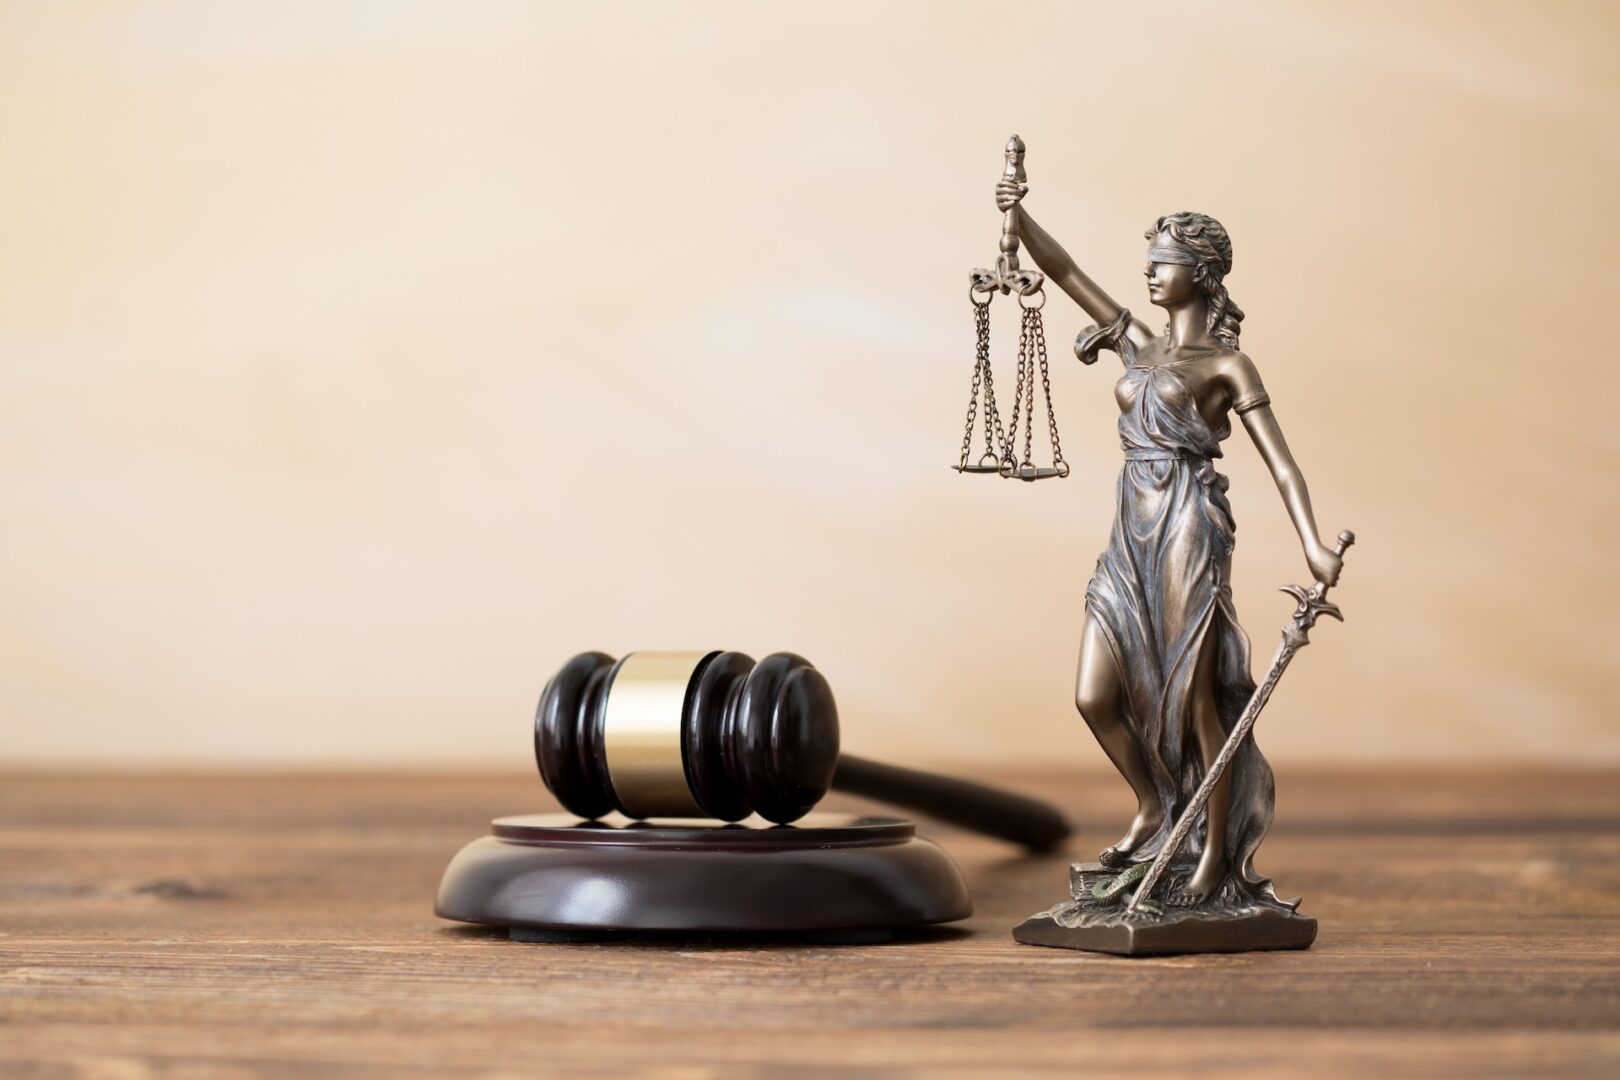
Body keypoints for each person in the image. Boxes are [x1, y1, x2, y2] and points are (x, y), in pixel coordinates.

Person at [996, 180, 1342, 905]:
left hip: (1189, 523)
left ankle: (1216, 854)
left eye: (1164, 261)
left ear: (1202, 274)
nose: (1150, 272)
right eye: (1149, 261)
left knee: (1196, 702)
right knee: (1094, 694)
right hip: (1131, 527)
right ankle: (1156, 804)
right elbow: (1064, 273)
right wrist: (1015, 214)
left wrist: (1312, 543)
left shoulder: (1227, 367)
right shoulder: (1137, 344)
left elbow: (1281, 463)